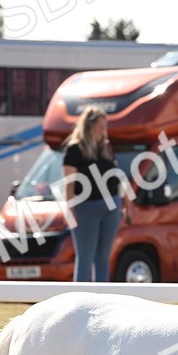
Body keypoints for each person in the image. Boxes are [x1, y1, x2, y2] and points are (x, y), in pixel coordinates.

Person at [62, 106, 122, 282]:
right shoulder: (74, 150)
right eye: (100, 125)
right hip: (85, 209)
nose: (104, 130)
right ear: (89, 127)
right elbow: (69, 183)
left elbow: (116, 178)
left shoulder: (106, 148)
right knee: (85, 258)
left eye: (105, 125)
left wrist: (125, 204)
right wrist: (70, 210)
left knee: (103, 258)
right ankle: (80, 302)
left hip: (111, 207)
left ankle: (102, 301)